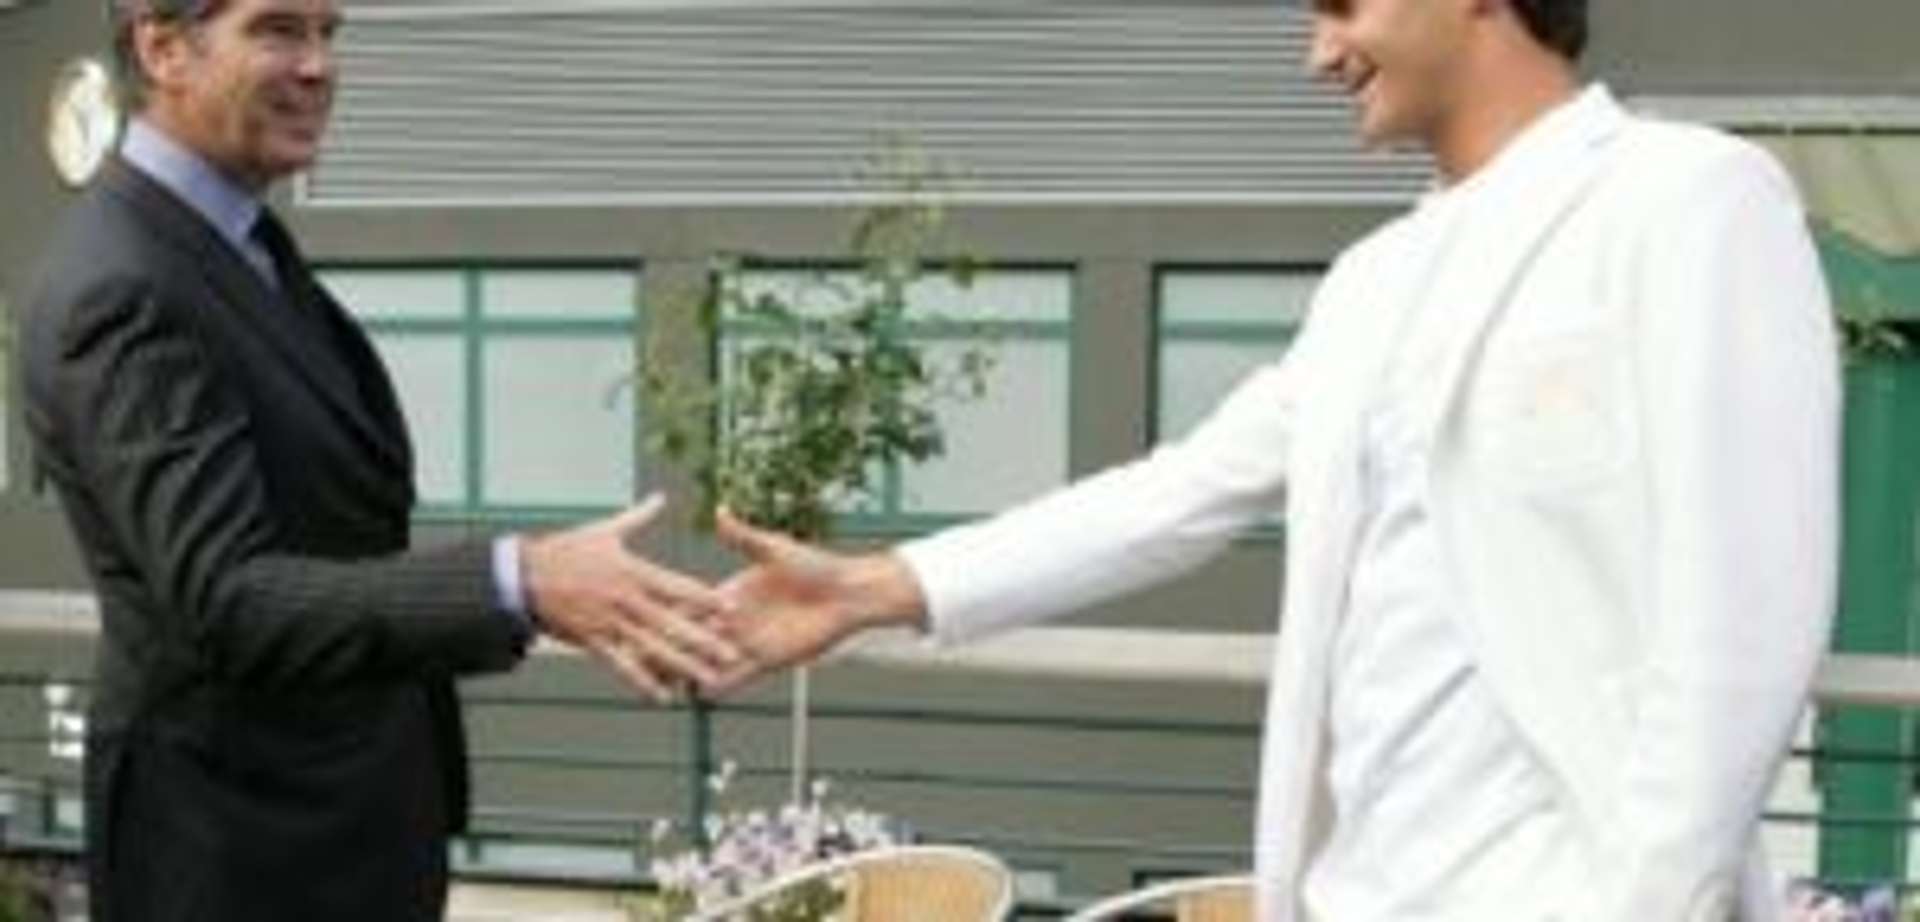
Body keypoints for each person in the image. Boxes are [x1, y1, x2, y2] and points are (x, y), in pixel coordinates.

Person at [704, 0, 1841, 919]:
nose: (1318, 55)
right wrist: (875, 589)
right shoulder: (1372, 282)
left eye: (1342, 8)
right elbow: (1182, 491)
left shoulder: (1687, 198)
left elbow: (1747, 608)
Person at [21, 1, 743, 919]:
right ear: (163, 49)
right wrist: (519, 580)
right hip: (240, 859)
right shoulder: (123, 286)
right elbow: (228, 600)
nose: (319, 66)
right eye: (278, 29)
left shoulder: (234, 243)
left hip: (337, 830)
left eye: (329, 33)